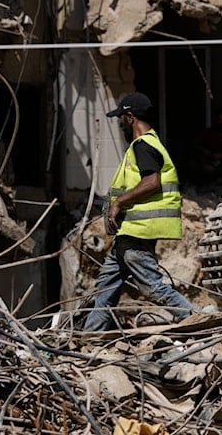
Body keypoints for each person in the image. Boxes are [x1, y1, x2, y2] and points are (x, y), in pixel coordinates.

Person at [82, 92, 193, 330]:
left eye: (121, 117)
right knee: (106, 286)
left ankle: (195, 317)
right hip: (128, 234)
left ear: (130, 117)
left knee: (152, 287)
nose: (120, 122)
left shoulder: (143, 145)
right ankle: (91, 334)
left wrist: (118, 203)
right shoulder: (145, 144)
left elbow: (152, 182)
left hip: (138, 233)